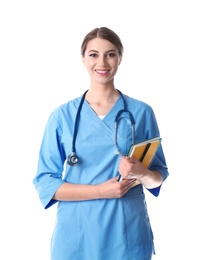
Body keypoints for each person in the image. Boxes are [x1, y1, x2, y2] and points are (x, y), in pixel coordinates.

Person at [33, 27, 169, 260]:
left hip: (126, 234)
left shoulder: (141, 112)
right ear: (83, 59)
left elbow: (158, 176)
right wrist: (100, 191)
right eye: (94, 54)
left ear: (120, 58)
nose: (102, 62)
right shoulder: (62, 116)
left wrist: (141, 172)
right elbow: (46, 182)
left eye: (111, 54)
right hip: (77, 235)